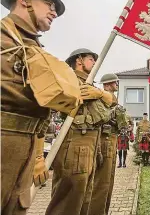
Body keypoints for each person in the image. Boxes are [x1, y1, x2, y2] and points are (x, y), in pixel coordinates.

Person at [1, 0, 66, 215]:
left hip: (26, 148)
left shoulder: (34, 47)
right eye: (49, 4)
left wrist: (38, 154)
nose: (54, 12)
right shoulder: (3, 37)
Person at [46, 49, 116, 215]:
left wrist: (99, 92)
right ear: (79, 60)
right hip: (75, 143)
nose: (94, 63)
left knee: (84, 197)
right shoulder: (68, 80)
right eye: (91, 59)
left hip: (91, 144)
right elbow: (46, 109)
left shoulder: (92, 85)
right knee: (68, 201)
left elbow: (113, 101)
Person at [89, 73, 122, 215]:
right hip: (104, 139)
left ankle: (103, 211)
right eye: (115, 82)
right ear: (108, 84)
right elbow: (101, 118)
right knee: (101, 183)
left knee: (108, 181)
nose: (117, 84)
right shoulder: (101, 97)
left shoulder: (113, 99)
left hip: (112, 138)